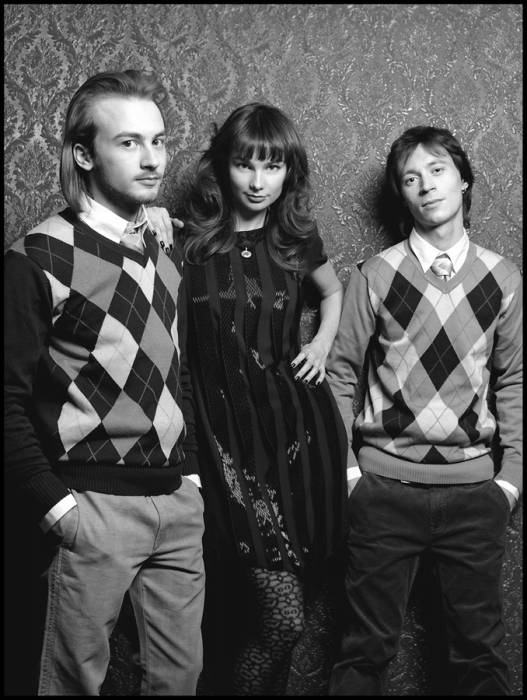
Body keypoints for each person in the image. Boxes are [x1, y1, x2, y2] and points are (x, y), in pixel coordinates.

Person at [4, 69, 205, 696]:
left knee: (180, 680)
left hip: (176, 503)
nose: (152, 160)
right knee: (70, 684)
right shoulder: (36, 257)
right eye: (129, 142)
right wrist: (56, 506)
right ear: (84, 154)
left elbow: (174, 370)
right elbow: (6, 398)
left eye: (159, 141)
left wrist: (192, 476)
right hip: (90, 503)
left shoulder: (164, 247)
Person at [154, 102, 348, 695]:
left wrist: (321, 343)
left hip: (299, 439)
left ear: (290, 171)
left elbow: (333, 292)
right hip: (224, 447)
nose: (259, 181)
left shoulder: (296, 239)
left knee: (285, 620)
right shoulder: (187, 245)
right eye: (245, 164)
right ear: (223, 166)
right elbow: (176, 355)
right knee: (276, 620)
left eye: (273, 166)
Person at [326, 125, 522, 695]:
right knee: (363, 653)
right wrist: (349, 474)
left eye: (437, 171)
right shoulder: (375, 275)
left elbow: (515, 379)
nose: (426, 186)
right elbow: (339, 376)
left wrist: (510, 480)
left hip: (474, 494)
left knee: (480, 657)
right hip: (383, 490)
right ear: (402, 196)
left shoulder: (502, 278)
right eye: (411, 179)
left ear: (464, 181)